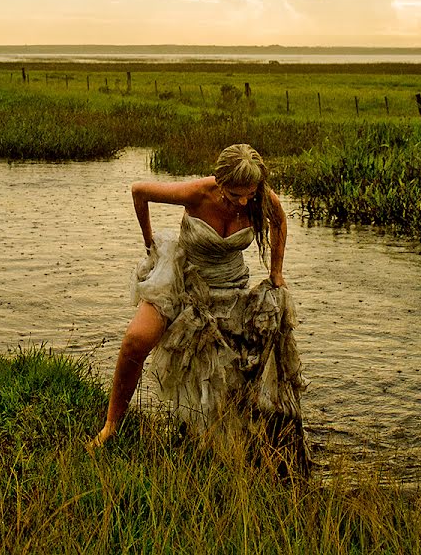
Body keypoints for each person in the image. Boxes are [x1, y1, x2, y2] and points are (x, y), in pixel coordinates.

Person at [92, 144, 309, 472]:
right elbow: (140, 192)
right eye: (235, 195)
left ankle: (225, 444)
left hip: (231, 290)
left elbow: (279, 221)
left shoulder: (260, 198)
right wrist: (149, 241)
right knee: (136, 340)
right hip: (184, 278)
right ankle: (111, 427)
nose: (243, 202)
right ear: (220, 183)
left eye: (249, 194)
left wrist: (276, 271)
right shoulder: (196, 193)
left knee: (232, 370)